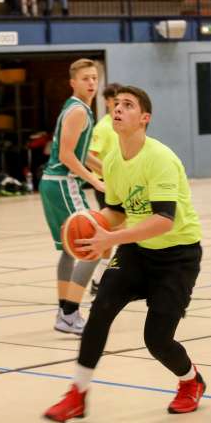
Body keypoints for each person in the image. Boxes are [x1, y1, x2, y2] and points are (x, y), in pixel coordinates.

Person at [44, 85, 206, 423]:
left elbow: (164, 219)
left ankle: (191, 381)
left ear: (144, 118)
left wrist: (112, 237)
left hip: (178, 256)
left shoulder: (159, 158)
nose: (118, 108)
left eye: (128, 105)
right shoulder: (113, 160)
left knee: (157, 340)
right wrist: (91, 225)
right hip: (137, 250)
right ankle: (77, 394)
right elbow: (117, 210)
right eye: (116, 104)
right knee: (100, 309)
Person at [38, 59, 104, 334]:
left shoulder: (77, 107)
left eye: (94, 78)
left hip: (53, 184)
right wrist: (96, 181)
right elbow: (67, 156)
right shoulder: (78, 111)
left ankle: (64, 312)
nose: (91, 83)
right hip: (63, 183)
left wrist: (108, 171)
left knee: (69, 249)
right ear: (73, 83)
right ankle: (69, 313)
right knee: (95, 246)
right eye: (85, 78)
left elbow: (81, 152)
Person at [86, 82, 121, 293]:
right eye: (115, 101)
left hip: (122, 185)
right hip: (106, 186)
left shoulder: (122, 125)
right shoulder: (103, 127)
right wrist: (107, 177)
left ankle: (106, 278)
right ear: (107, 102)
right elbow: (90, 156)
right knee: (111, 230)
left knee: (128, 229)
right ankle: (98, 279)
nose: (119, 106)